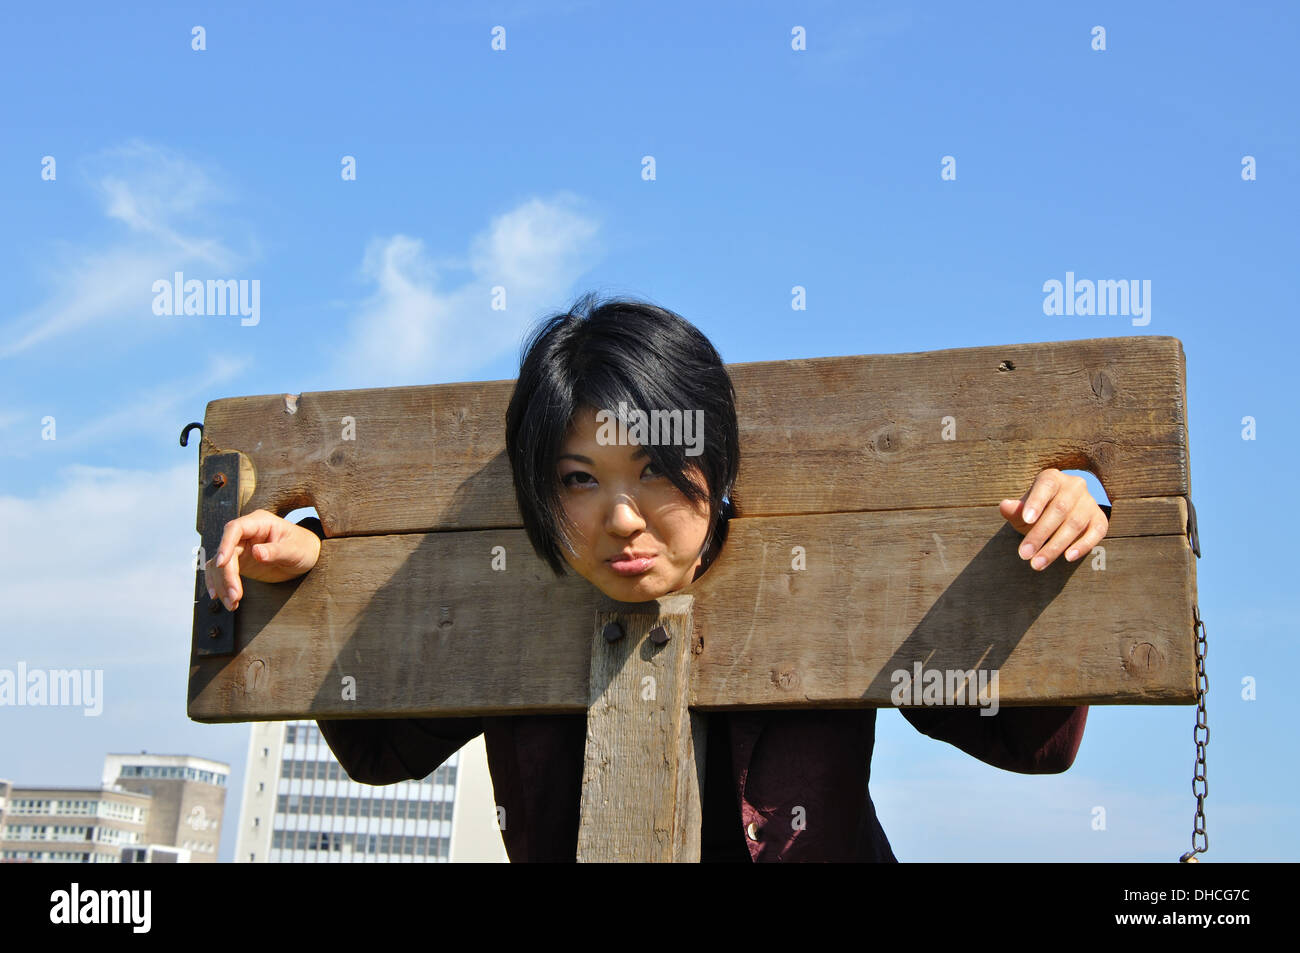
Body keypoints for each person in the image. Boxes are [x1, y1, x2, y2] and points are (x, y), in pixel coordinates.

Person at [204, 292, 1110, 862]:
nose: (622, 516)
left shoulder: (836, 585)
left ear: (717, 471)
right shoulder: (493, 604)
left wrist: (1061, 533)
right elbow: (379, 751)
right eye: (577, 480)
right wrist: (310, 567)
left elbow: (1033, 739)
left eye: (654, 470)